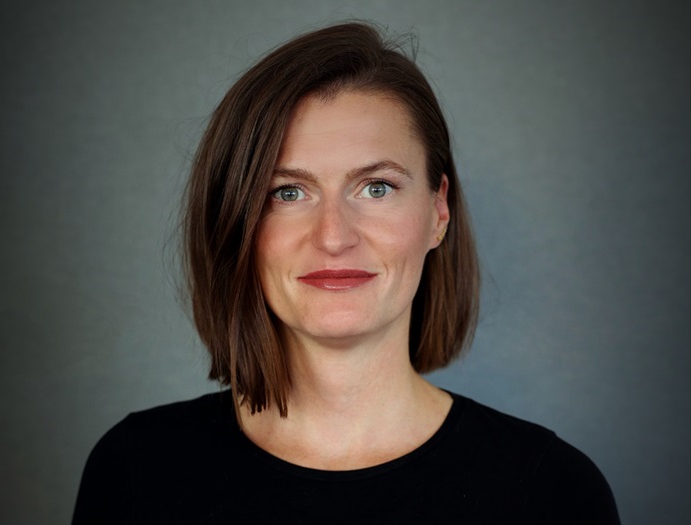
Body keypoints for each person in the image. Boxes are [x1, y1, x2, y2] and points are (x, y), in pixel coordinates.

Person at [72, 22, 620, 524]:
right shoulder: (135, 470)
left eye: (376, 187)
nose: (334, 236)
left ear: (439, 211)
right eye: (288, 192)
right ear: (237, 222)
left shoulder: (553, 491)